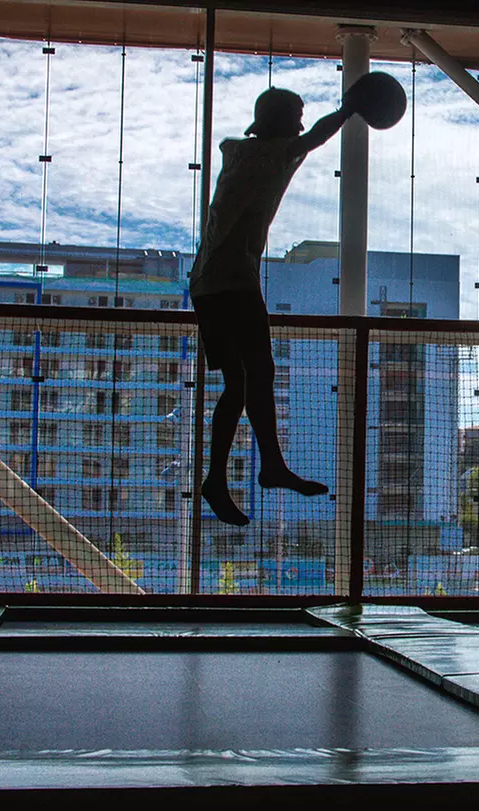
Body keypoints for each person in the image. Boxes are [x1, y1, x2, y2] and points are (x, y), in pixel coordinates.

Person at [189, 83, 380, 526]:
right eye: (294, 113)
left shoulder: (245, 156)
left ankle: (223, 477)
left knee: (240, 382)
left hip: (211, 283)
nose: (299, 121)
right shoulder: (264, 156)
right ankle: (261, 468)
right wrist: (350, 107)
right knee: (257, 373)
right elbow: (311, 138)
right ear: (276, 121)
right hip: (231, 282)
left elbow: (304, 138)